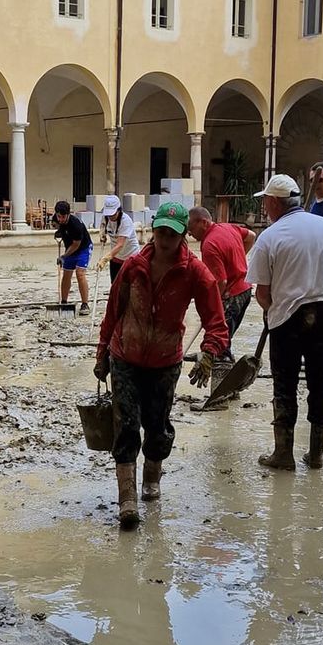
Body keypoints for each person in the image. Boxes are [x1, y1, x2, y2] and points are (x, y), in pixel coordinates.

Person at [95, 199, 228, 528]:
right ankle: (127, 499)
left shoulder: (195, 272)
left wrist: (210, 352)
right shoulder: (134, 266)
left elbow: (217, 321)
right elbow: (113, 310)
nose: (164, 239)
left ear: (183, 236)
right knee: (126, 424)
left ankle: (151, 479)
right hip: (125, 354)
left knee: (157, 426)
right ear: (152, 231)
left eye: (171, 234)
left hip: (165, 360)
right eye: (160, 232)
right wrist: (102, 352)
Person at [245, 173, 323, 473]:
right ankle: (316, 456)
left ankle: (284, 454)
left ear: (275, 202)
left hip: (288, 318)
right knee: (320, 381)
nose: (264, 207)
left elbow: (262, 293)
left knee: (285, 385)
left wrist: (272, 308)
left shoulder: (270, 237)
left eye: (265, 201)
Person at [186, 206, 252, 362]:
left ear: (203, 222)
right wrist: (237, 261)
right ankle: (217, 357)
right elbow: (251, 236)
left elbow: (220, 282)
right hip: (246, 290)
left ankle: (221, 379)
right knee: (223, 339)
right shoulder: (227, 227)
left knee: (219, 343)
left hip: (232, 295)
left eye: (191, 229)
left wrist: (211, 306)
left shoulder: (209, 244)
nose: (189, 233)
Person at [52, 199, 92, 314]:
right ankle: (64, 302)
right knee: (66, 274)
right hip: (69, 249)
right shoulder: (57, 219)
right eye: (59, 217)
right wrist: (59, 230)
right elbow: (55, 224)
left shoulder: (75, 225)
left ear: (68, 214)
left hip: (82, 248)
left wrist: (63, 256)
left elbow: (76, 245)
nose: (61, 219)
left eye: (63, 217)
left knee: (80, 274)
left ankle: (85, 304)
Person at [97, 194, 139, 284]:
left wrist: (105, 259)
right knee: (115, 285)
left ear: (119, 210)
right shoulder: (106, 217)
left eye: (113, 214)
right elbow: (103, 226)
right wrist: (102, 234)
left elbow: (120, 244)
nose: (110, 217)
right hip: (116, 257)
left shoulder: (125, 221)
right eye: (109, 215)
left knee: (128, 285)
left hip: (130, 257)